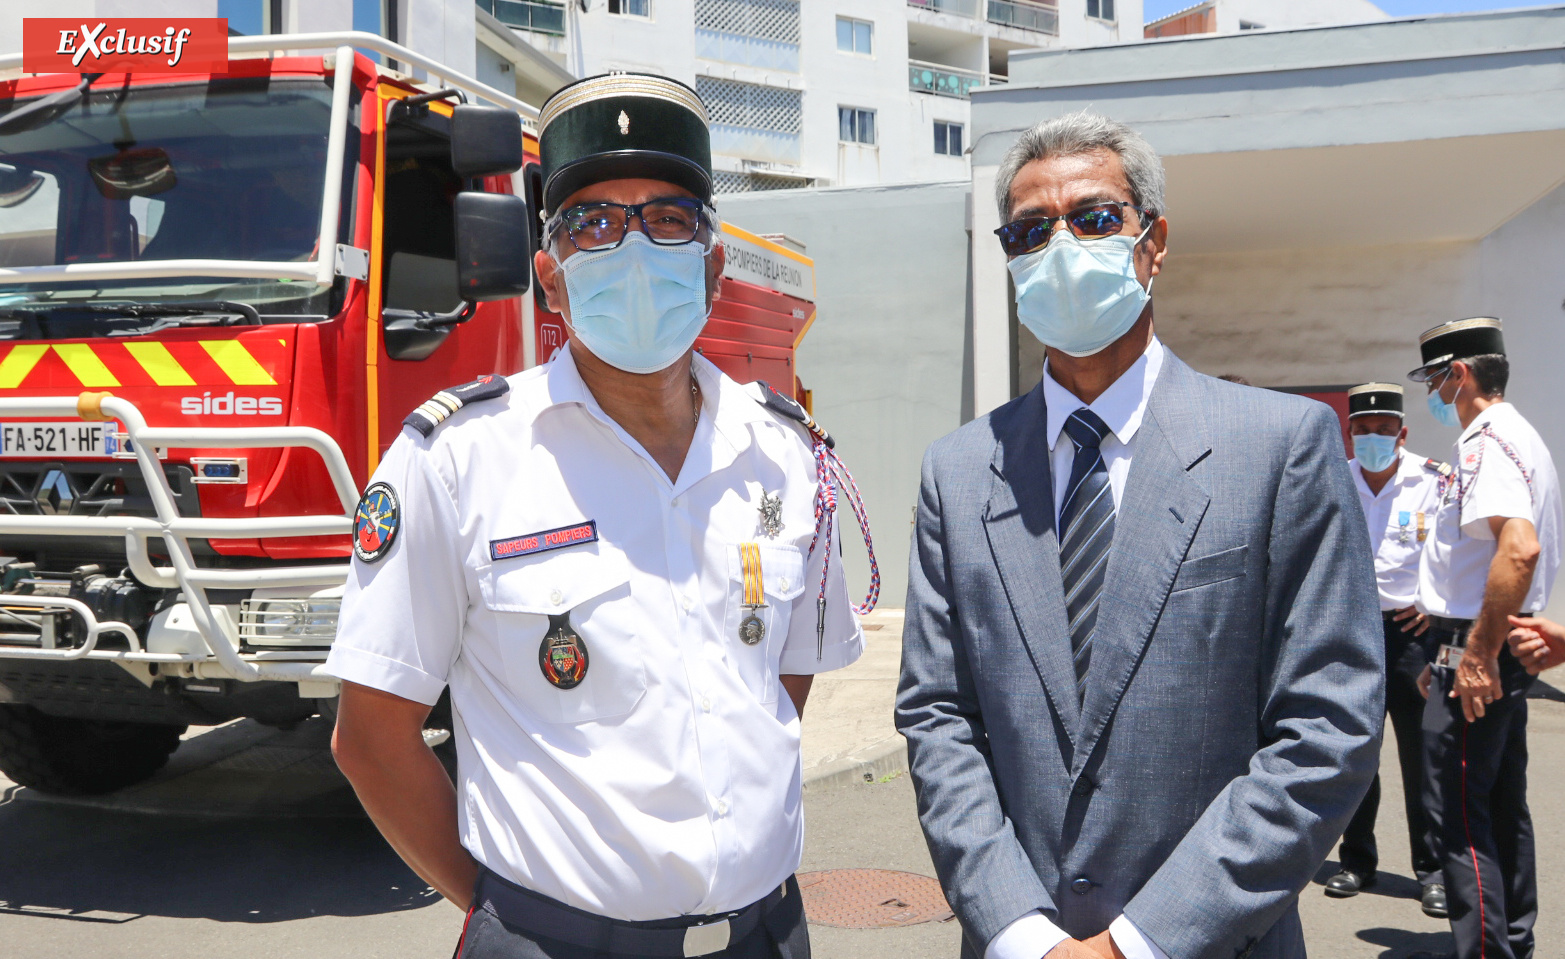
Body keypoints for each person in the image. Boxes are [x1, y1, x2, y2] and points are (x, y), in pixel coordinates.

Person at [325, 73, 870, 959]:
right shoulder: (459, 458)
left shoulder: (787, 454)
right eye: (592, 223)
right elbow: (373, 736)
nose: (632, 246)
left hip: (764, 936)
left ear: (713, 263)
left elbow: (776, 683)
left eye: (667, 219)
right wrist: (512, 912)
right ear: (550, 277)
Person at [896, 110, 1384, 959]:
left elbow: (1325, 724)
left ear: (1152, 244)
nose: (1060, 248)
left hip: (1213, 940)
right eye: (1029, 230)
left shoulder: (1278, 446)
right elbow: (939, 715)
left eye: (1091, 219)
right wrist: (1019, 930)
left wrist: (1137, 941)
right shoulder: (957, 470)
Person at [1406, 317, 1562, 959]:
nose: (1434, 393)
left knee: (1459, 819)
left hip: (1480, 651)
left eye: (1434, 379)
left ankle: (1488, 951)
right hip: (1474, 644)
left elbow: (1517, 550)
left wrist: (1474, 656)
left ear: (1459, 374)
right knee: (1501, 806)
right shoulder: (1519, 435)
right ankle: (1512, 942)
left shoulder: (1484, 443)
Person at [1324, 383, 1449, 918]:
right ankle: (1357, 860)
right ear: (1350, 432)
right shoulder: (1335, 478)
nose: (1372, 438)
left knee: (1422, 757)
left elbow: (1454, 551)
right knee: (1357, 752)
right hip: (1353, 633)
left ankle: (1434, 871)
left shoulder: (1436, 482)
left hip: (1412, 636)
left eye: (1382, 430)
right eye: (1362, 430)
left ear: (1402, 432)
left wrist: (1435, 605)